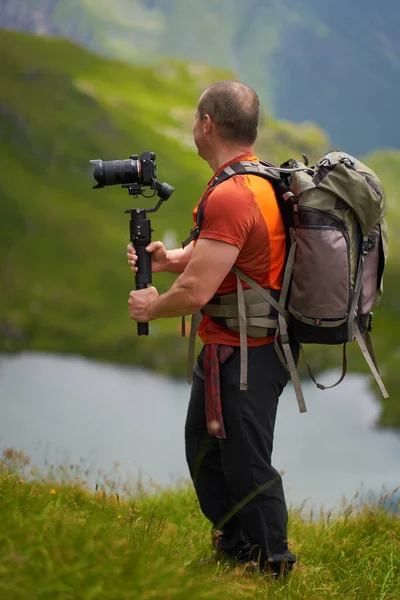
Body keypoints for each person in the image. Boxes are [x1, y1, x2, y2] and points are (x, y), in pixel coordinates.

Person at [127, 80, 296, 577]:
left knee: (245, 461)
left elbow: (198, 292)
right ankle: (237, 545)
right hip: (233, 346)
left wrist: (151, 307)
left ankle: (275, 567)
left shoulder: (234, 194)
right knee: (205, 448)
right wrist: (168, 260)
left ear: (207, 124)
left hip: (248, 351)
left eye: (194, 119)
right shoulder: (248, 180)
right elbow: (221, 256)